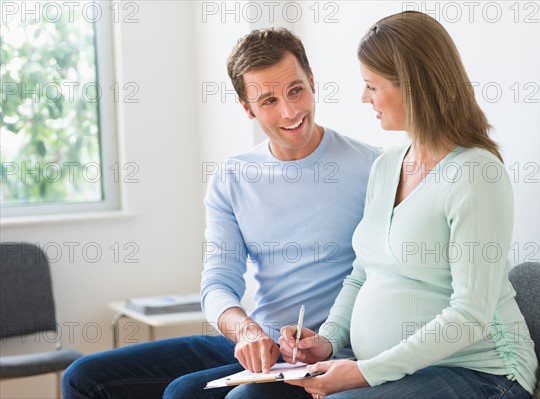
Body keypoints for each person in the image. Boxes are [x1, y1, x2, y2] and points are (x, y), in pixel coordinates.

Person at [61, 28, 381, 399]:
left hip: (329, 351)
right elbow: (218, 283)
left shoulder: (372, 166)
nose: (289, 112)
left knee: (186, 394)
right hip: (259, 341)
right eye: (268, 101)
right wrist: (245, 331)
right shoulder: (232, 177)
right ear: (246, 107)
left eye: (296, 90)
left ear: (312, 82)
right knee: (83, 376)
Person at [279, 11, 538, 399]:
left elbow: (470, 316)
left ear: (413, 87)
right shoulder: (387, 165)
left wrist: (365, 373)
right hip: (395, 371)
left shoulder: (476, 174)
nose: (363, 98)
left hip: (484, 373)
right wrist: (328, 341)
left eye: (371, 85)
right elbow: (362, 273)